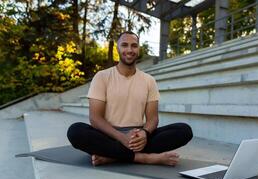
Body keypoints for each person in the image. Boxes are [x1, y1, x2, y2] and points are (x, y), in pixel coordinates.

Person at [67, 31, 193, 166]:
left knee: (184, 130)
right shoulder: (102, 77)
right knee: (75, 131)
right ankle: (145, 158)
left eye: (134, 46)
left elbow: (153, 119)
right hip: (110, 135)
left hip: (138, 137)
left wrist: (144, 133)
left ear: (138, 49)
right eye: (125, 45)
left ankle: (112, 156)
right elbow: (95, 118)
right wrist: (122, 138)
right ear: (118, 48)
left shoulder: (149, 80)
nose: (129, 50)